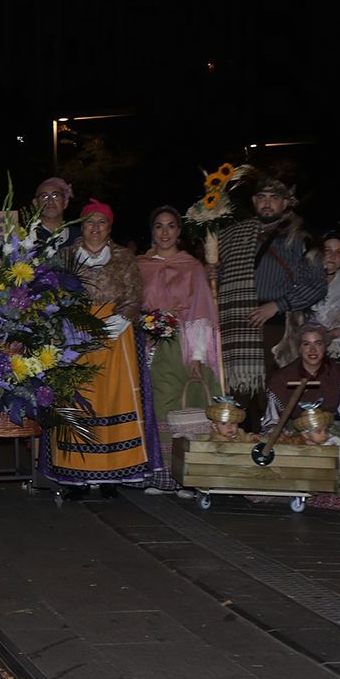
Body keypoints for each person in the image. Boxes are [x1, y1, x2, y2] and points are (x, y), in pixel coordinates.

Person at [43, 202, 154, 493]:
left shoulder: (123, 258)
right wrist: (68, 325)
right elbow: (50, 294)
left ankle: (111, 475)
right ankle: (76, 474)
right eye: (89, 222)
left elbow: (134, 296)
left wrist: (111, 325)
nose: (95, 228)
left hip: (116, 337)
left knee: (113, 400)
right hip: (73, 336)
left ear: (110, 227)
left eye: (101, 222)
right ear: (81, 225)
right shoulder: (65, 256)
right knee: (76, 400)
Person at [214, 177, 326, 409]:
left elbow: (317, 284)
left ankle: (272, 442)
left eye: (274, 198)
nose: (267, 203)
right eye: (262, 197)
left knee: (272, 393)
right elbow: (223, 277)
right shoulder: (235, 236)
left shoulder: (300, 238)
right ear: (254, 201)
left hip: (277, 329)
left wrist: (278, 305)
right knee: (237, 396)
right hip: (236, 327)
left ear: (285, 203)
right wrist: (211, 273)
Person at [136, 205, 220, 487]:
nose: (165, 232)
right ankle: (160, 474)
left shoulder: (192, 267)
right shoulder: (140, 266)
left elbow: (200, 311)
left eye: (171, 225)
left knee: (184, 407)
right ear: (151, 231)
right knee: (156, 407)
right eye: (159, 226)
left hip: (183, 346)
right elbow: (132, 304)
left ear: (179, 231)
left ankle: (188, 476)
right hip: (150, 345)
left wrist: (196, 356)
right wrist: (145, 326)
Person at [261, 323, 340, 485]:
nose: (312, 350)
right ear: (299, 348)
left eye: (318, 344)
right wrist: (278, 434)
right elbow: (273, 419)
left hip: (330, 426)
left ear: (325, 347)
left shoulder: (337, 373)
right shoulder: (282, 378)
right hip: (297, 428)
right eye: (306, 344)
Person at [31, 177, 76, 258]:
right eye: (44, 196)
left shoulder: (80, 237)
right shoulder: (24, 240)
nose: (50, 201)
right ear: (36, 204)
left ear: (65, 202)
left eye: (55, 196)